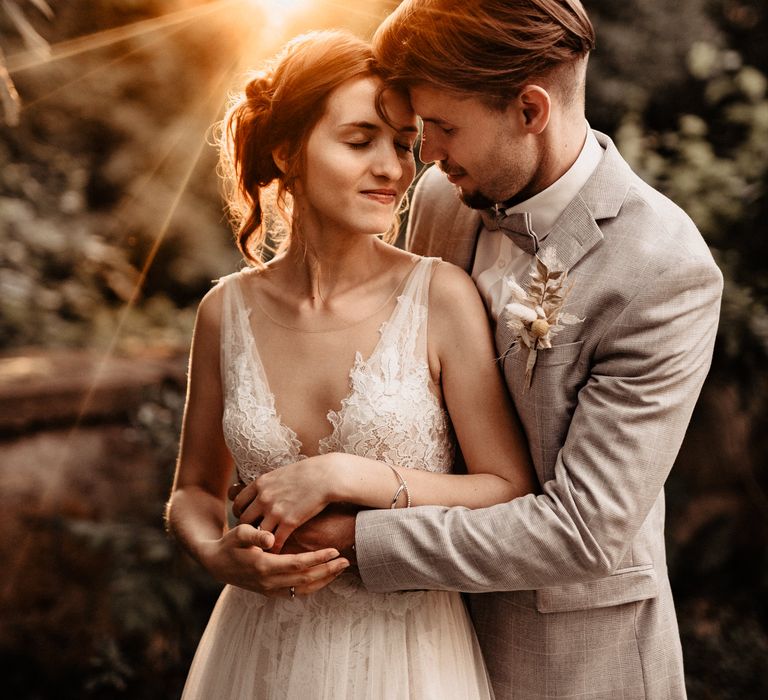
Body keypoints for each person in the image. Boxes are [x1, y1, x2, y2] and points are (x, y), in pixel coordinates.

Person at [232, 2, 724, 698]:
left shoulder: (662, 272)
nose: (422, 155)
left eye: (443, 127)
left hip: (569, 660)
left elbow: (580, 533)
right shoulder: (441, 198)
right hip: (412, 644)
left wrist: (347, 538)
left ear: (529, 111)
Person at [166, 29, 535, 699]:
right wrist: (217, 554)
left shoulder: (440, 296)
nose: (393, 169)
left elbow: (506, 486)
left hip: (408, 656)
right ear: (288, 151)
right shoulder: (224, 312)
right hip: (259, 650)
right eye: (360, 141)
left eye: (402, 144)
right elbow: (192, 489)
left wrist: (347, 473)